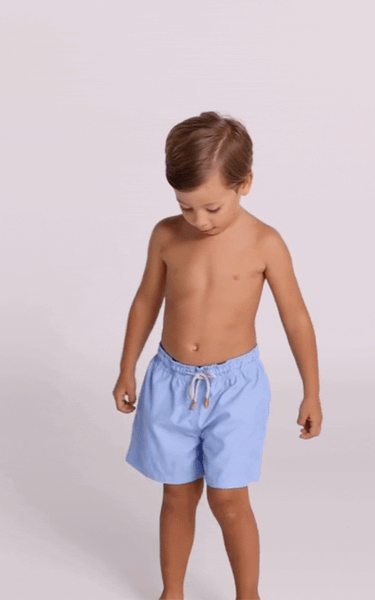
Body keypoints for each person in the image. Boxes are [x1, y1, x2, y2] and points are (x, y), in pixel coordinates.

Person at [112, 111, 323, 600]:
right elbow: (146, 301)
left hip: (235, 389)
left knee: (228, 499)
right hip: (169, 381)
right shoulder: (166, 235)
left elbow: (296, 319)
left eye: (211, 207)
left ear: (244, 184)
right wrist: (127, 367)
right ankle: (172, 592)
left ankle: (248, 595)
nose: (199, 220)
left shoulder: (265, 243)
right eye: (186, 207)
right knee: (176, 494)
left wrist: (312, 391)